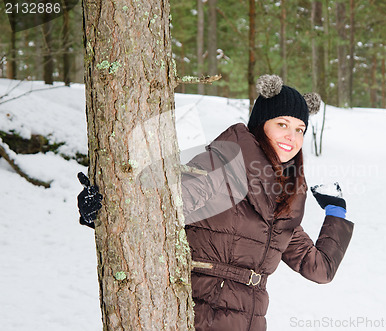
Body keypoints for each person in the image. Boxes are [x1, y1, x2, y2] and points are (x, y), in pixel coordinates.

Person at [78, 75, 354, 331]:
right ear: (260, 125)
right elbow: (160, 211)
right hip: (199, 316)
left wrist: (336, 212)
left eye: (299, 129)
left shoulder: (283, 201)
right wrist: (103, 212)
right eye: (282, 124)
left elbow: (320, 269)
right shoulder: (220, 165)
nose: (292, 138)